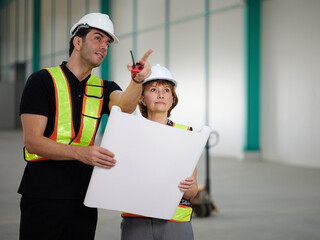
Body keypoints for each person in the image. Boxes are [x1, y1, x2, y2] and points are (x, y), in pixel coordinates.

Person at [18, 12, 153, 240]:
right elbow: (33, 141)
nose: (104, 46)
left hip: (84, 196)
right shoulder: (41, 81)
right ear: (77, 42)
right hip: (43, 193)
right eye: (98, 38)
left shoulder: (104, 87)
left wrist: (137, 81)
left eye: (108, 43)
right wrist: (82, 153)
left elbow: (126, 106)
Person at [120, 64, 198, 240]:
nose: (161, 94)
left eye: (167, 90)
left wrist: (186, 188)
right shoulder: (127, 132)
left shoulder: (186, 135)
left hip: (175, 221)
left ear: (172, 100)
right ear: (142, 99)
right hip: (136, 220)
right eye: (153, 89)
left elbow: (192, 192)